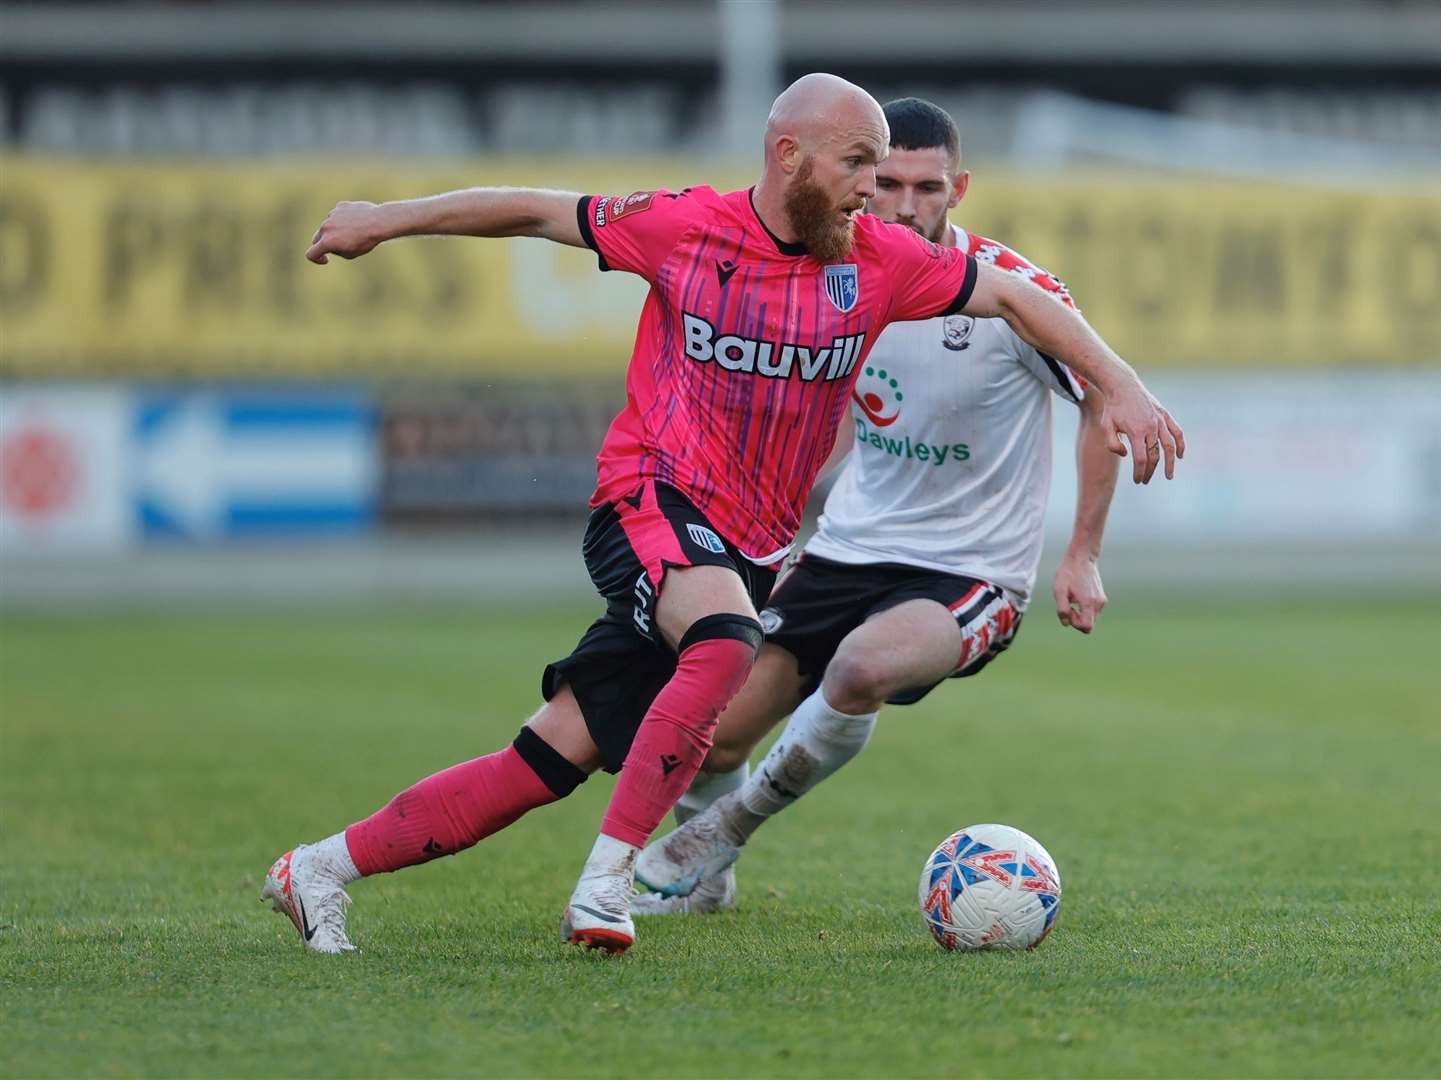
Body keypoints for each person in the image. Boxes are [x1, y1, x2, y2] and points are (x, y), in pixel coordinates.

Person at [262, 74, 1183, 956]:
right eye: (862, 166)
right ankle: (613, 881)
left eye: (896, 173)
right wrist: (387, 219)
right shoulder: (685, 227)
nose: (878, 192)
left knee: (548, 761)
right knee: (727, 641)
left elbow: (1019, 297)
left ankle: (317, 868)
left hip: (751, 545)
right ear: (790, 158)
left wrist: (1125, 383)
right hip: (649, 496)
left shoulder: (879, 263)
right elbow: (541, 208)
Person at [631, 97, 1121, 913]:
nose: (903, 205)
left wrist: (1084, 552)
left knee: (862, 668)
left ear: (958, 189)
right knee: (715, 727)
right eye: (886, 182)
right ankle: (706, 884)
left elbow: (1103, 401)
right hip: (847, 547)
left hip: (971, 569)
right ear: (859, 179)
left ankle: (726, 830)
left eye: (927, 187)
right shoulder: (833, 277)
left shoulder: (1011, 293)